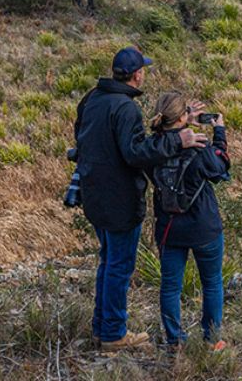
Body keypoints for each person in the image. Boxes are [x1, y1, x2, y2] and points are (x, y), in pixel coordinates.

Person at [73, 47, 208, 351]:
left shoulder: (92, 98)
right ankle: (113, 335)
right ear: (137, 75)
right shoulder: (126, 108)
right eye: (143, 69)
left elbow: (81, 135)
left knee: (108, 261)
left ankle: (102, 328)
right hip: (119, 200)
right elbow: (135, 153)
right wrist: (179, 139)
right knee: (119, 266)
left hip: (95, 194)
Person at [148, 92, 231, 351]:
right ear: (182, 117)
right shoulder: (198, 145)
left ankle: (175, 341)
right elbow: (220, 169)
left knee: (170, 287)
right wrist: (219, 133)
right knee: (212, 283)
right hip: (203, 226)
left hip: (169, 227)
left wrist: (183, 122)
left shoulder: (152, 147)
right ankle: (211, 340)